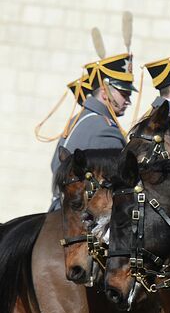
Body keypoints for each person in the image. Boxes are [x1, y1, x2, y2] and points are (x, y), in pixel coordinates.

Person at [49, 52, 137, 210]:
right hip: (79, 215)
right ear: (105, 93)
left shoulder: (82, 118)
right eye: (124, 94)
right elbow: (119, 182)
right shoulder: (103, 128)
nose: (128, 101)